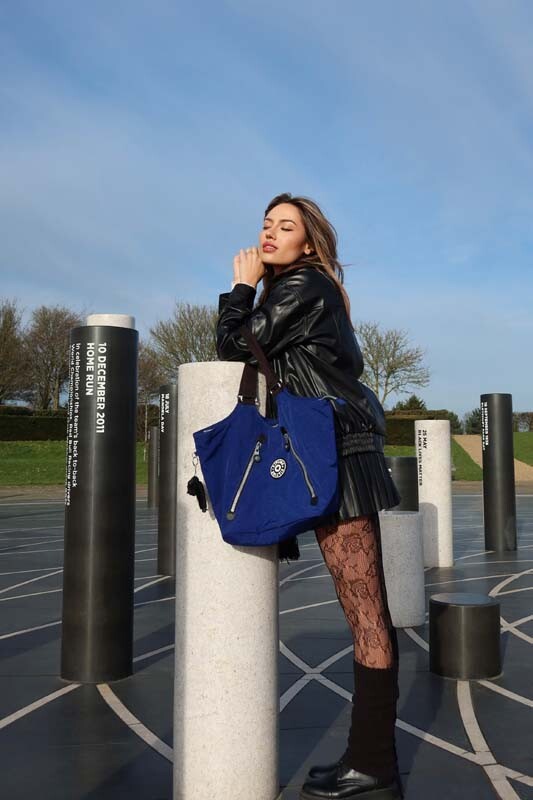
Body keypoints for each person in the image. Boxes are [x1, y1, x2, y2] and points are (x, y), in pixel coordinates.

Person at [216, 193, 404, 800]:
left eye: (285, 226)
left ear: (309, 242)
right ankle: (368, 757)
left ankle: (374, 765)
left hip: (340, 459)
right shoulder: (303, 291)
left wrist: (240, 288)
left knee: (367, 616)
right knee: (365, 613)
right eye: (266, 224)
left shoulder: (304, 286)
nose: (269, 233)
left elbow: (234, 345)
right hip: (336, 453)